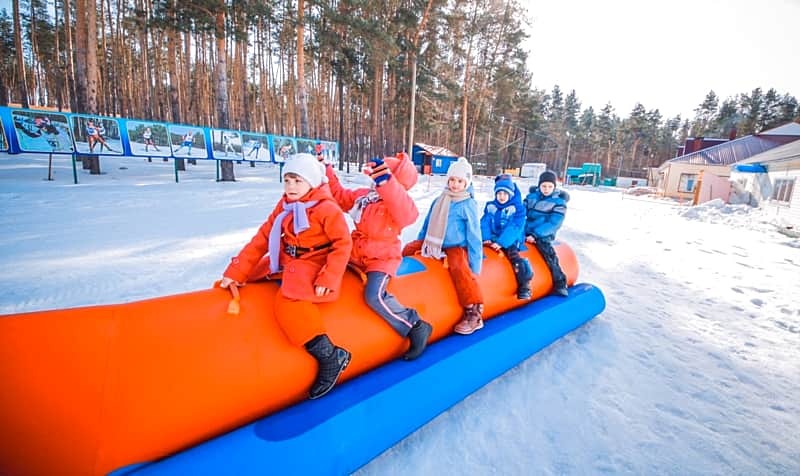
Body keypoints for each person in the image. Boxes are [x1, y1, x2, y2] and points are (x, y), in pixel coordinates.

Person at [219, 153, 353, 399]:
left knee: (288, 300)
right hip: (288, 257)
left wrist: (329, 277)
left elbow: (343, 245)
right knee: (252, 275)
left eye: (297, 181)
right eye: (287, 180)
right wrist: (237, 271)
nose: (290, 186)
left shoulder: (326, 209)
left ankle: (330, 355)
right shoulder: (285, 205)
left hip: (316, 261)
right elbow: (262, 238)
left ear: (311, 182)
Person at [324, 151, 433, 360]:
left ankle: (415, 326)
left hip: (381, 259)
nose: (374, 181)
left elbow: (408, 215)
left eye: (380, 177)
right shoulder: (365, 197)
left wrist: (387, 183)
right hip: (356, 252)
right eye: (375, 177)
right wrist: (326, 169)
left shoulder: (398, 205)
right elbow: (338, 195)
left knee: (374, 296)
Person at [402, 157, 484, 335]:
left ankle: (473, 311)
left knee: (458, 267)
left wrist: (475, 266)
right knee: (408, 248)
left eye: (460, 181)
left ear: (467, 182)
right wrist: (420, 243)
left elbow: (474, 235)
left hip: (455, 246)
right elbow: (428, 223)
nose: (455, 184)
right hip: (434, 242)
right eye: (452, 180)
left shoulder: (467, 203)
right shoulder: (440, 199)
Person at [481, 174, 533, 299]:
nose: (502, 197)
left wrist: (502, 242)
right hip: (493, 237)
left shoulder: (517, 209)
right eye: (499, 194)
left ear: (510, 194)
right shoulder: (490, 206)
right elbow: (485, 222)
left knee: (513, 256)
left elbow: (515, 227)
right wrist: (486, 237)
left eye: (505, 194)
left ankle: (525, 284)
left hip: (511, 240)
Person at [524, 170, 570, 297]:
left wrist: (536, 235)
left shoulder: (559, 203)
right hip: (526, 231)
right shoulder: (531, 198)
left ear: (554, 187)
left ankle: (560, 282)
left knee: (548, 255)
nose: (546, 189)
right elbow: (521, 213)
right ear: (539, 186)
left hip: (543, 234)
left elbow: (554, 223)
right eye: (544, 186)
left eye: (550, 186)